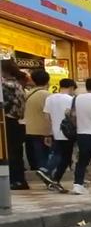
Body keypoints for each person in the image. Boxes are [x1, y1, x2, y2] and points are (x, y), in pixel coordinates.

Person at [38, 78, 76, 192]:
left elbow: (46, 117)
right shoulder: (72, 99)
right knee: (64, 156)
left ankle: (53, 179)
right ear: (71, 87)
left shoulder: (50, 98)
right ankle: (48, 171)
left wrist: (48, 133)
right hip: (68, 132)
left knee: (59, 153)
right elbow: (73, 116)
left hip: (55, 131)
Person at [2, 60, 28, 189]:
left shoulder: (5, 85)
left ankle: (13, 180)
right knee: (16, 152)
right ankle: (20, 180)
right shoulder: (18, 85)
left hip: (7, 121)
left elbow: (5, 104)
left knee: (9, 152)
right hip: (17, 122)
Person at [22, 69, 52, 173]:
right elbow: (49, 113)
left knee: (34, 155)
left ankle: (38, 171)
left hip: (29, 128)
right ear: (48, 81)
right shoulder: (46, 95)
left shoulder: (28, 93)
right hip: (43, 130)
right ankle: (45, 174)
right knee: (44, 156)